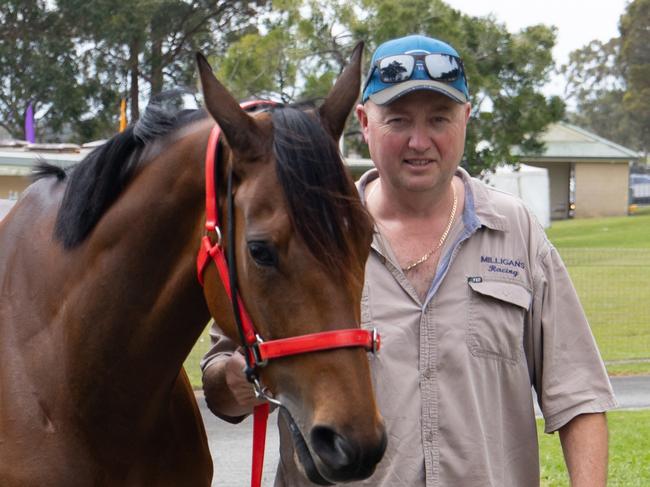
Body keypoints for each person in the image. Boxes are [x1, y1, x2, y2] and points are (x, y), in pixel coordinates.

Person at [201, 34, 618, 486]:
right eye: (398, 120)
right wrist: (238, 380)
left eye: (439, 119)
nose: (420, 141)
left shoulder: (516, 231)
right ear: (363, 122)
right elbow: (220, 389)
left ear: (465, 120)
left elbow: (578, 398)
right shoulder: (302, 232)